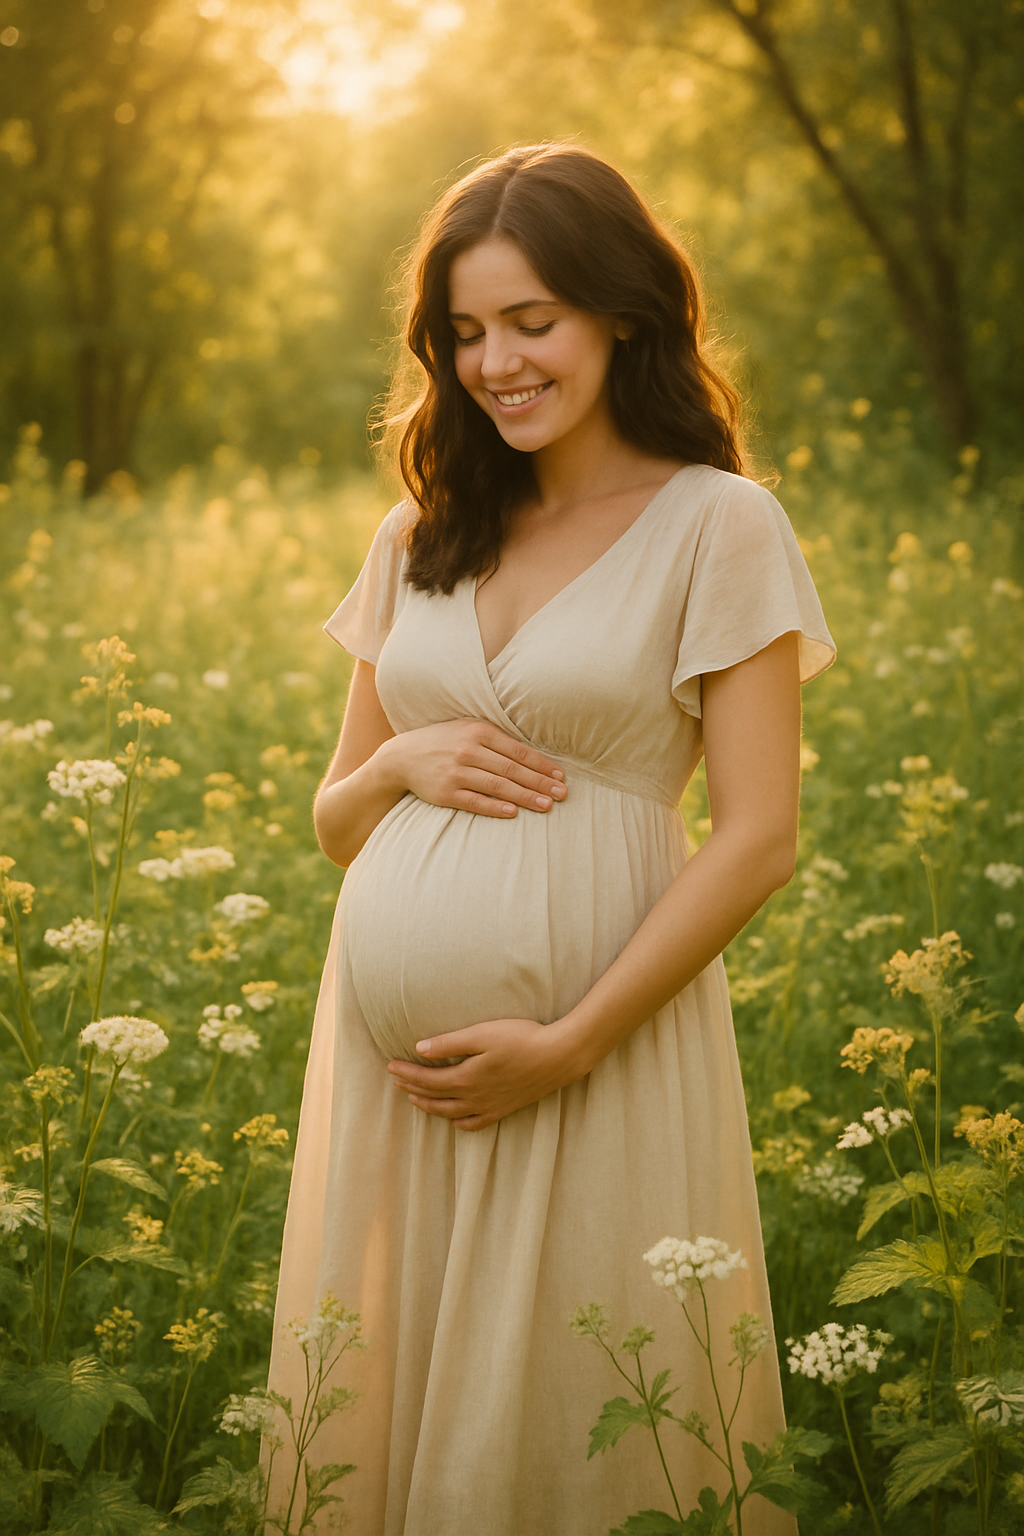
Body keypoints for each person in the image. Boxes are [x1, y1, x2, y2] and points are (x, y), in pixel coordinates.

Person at [266, 143, 835, 1535]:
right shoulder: (426, 529)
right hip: (397, 1086)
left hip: (596, 1059)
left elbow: (759, 838)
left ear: (622, 315)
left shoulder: (719, 524)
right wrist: (403, 752)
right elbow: (340, 824)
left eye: (534, 321)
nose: (497, 362)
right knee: (387, 1422)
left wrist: (570, 1040)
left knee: (591, 1410)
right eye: (464, 332)